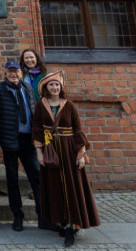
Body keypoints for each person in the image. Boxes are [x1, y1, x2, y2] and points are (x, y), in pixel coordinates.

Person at [32, 70, 99, 247]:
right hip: (51, 150)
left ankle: (71, 227)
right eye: (51, 85)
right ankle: (61, 222)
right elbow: (37, 130)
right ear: (46, 88)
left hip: (69, 151)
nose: (54, 87)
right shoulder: (41, 105)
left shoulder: (69, 105)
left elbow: (78, 131)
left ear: (61, 88)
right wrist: (39, 153)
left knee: (71, 187)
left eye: (57, 85)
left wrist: (81, 154)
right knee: (55, 187)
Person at [0, 60, 41, 232]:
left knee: (36, 177)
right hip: (9, 139)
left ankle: (42, 214)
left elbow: (33, 111)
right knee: (12, 180)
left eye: (16, 72)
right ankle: (17, 215)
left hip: (28, 139)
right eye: (10, 72)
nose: (13, 74)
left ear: (21, 73)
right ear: (5, 74)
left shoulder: (26, 89)